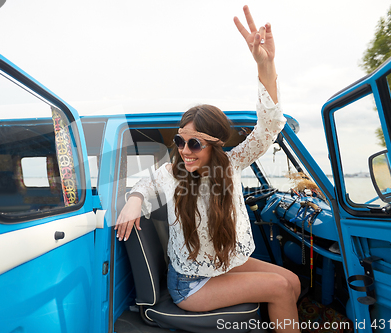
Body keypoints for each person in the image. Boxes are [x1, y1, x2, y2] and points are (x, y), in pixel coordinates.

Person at [115, 5, 301, 332]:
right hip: (191, 284)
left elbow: (268, 128)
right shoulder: (173, 175)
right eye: (180, 141)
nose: (184, 150)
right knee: (281, 288)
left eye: (195, 143)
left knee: (292, 280)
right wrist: (134, 199)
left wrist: (265, 65)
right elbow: (147, 185)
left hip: (222, 266)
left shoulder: (230, 164)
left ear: (215, 145)